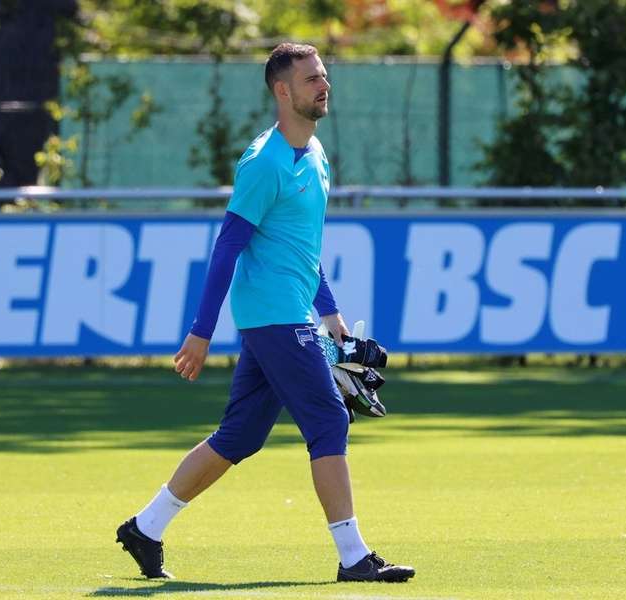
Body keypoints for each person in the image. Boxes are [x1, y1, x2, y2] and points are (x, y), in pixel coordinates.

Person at [115, 42, 415, 584]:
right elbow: (227, 247)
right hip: (273, 315)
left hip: (291, 312)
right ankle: (353, 557)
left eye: (324, 76)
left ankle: (145, 527)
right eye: (310, 79)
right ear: (283, 91)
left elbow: (302, 250)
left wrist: (333, 318)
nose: (323, 86)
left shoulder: (317, 155)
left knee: (239, 436)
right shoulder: (264, 162)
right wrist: (200, 333)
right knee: (327, 420)